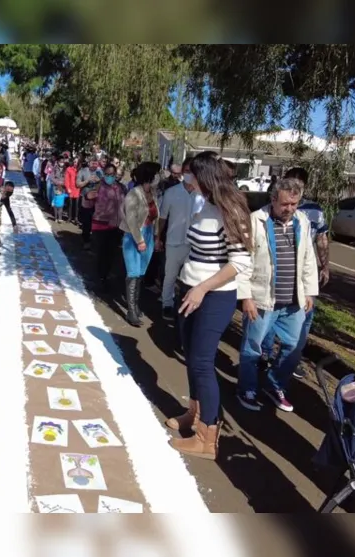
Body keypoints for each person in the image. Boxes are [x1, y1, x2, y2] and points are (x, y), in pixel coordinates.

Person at [166, 151, 252, 461]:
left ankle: (207, 435)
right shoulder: (203, 205)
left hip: (214, 296)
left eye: (190, 173)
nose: (184, 178)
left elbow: (240, 262)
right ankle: (195, 412)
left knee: (203, 362)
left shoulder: (232, 211)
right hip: (190, 289)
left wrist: (202, 288)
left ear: (204, 177)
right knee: (191, 357)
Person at [236, 178, 319, 413]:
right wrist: (246, 297)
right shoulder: (255, 221)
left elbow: (308, 259)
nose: (290, 209)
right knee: (252, 347)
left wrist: (310, 291)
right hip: (263, 300)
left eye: (294, 204)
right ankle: (247, 388)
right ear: (273, 200)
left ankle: (275, 385)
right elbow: (243, 263)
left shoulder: (302, 221)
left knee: (293, 347)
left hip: (293, 302)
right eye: (285, 204)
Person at [259, 167, 330, 380]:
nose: (290, 206)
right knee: (269, 321)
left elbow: (321, 239)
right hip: (277, 278)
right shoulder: (268, 210)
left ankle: (287, 364)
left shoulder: (313, 212)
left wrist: (324, 265)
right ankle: (265, 353)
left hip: (301, 278)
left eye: (298, 186)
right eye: (290, 182)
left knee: (301, 324)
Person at [118, 162, 160, 327]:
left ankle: (136, 304)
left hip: (148, 233)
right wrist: (139, 240)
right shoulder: (134, 194)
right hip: (134, 235)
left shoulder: (153, 193)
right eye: (157, 174)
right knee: (133, 272)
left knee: (141, 271)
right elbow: (131, 220)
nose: (159, 177)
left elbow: (155, 216)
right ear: (149, 176)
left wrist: (155, 237)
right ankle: (131, 310)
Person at [158, 157, 195, 321]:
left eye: (192, 172)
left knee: (190, 278)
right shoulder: (171, 192)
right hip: (173, 241)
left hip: (194, 244)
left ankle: (186, 305)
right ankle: (167, 304)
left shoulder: (203, 196)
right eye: (187, 171)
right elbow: (163, 217)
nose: (189, 175)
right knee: (170, 275)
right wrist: (158, 236)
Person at [91, 163, 125, 289]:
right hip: (101, 225)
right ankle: (101, 277)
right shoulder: (99, 186)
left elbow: (124, 204)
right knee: (101, 252)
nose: (109, 177)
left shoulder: (120, 187)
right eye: (107, 174)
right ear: (104, 174)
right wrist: (88, 196)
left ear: (115, 175)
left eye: (112, 174)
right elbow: (88, 196)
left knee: (111, 253)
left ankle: (106, 274)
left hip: (116, 226)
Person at [78, 158, 101, 250]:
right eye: (92, 163)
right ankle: (86, 240)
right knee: (86, 222)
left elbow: (105, 185)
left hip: (98, 201)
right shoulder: (82, 171)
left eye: (96, 164)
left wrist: (99, 181)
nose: (94, 165)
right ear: (89, 163)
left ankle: (94, 240)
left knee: (96, 222)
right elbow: (78, 184)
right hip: (85, 200)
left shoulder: (100, 173)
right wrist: (87, 181)